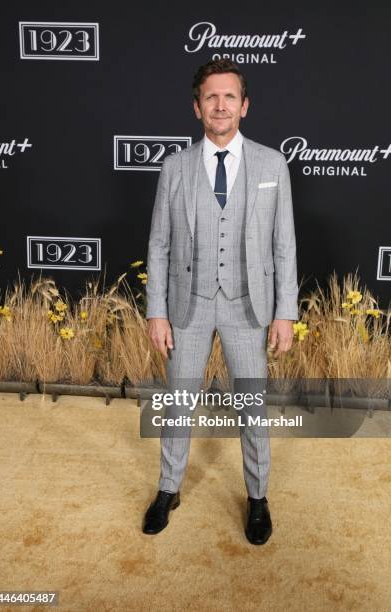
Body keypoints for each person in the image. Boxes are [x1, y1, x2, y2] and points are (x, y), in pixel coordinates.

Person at [142, 58, 299, 544]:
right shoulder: (174, 167)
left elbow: (284, 244)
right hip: (187, 305)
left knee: (252, 408)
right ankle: (169, 488)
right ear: (197, 107)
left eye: (230, 96)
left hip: (248, 305)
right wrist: (157, 310)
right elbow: (159, 244)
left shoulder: (273, 164)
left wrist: (285, 313)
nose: (220, 105)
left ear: (244, 106)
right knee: (178, 405)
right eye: (211, 96)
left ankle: (258, 498)